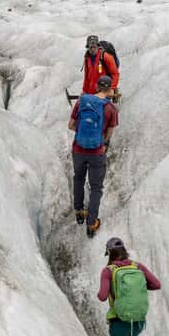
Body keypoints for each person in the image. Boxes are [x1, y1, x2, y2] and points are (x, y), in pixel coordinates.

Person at [98, 236, 161, 336]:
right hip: (137, 322)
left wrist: (110, 289)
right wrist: (140, 287)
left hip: (119, 322)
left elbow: (102, 296)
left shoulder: (109, 271)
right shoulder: (137, 266)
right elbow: (157, 284)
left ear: (109, 253)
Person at [68, 74, 118, 237]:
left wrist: (82, 133)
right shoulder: (111, 109)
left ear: (96, 87)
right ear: (110, 89)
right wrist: (99, 140)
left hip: (78, 149)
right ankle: (91, 223)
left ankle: (79, 212)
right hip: (96, 152)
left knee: (78, 178)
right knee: (96, 187)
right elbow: (109, 134)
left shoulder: (82, 101)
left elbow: (71, 125)